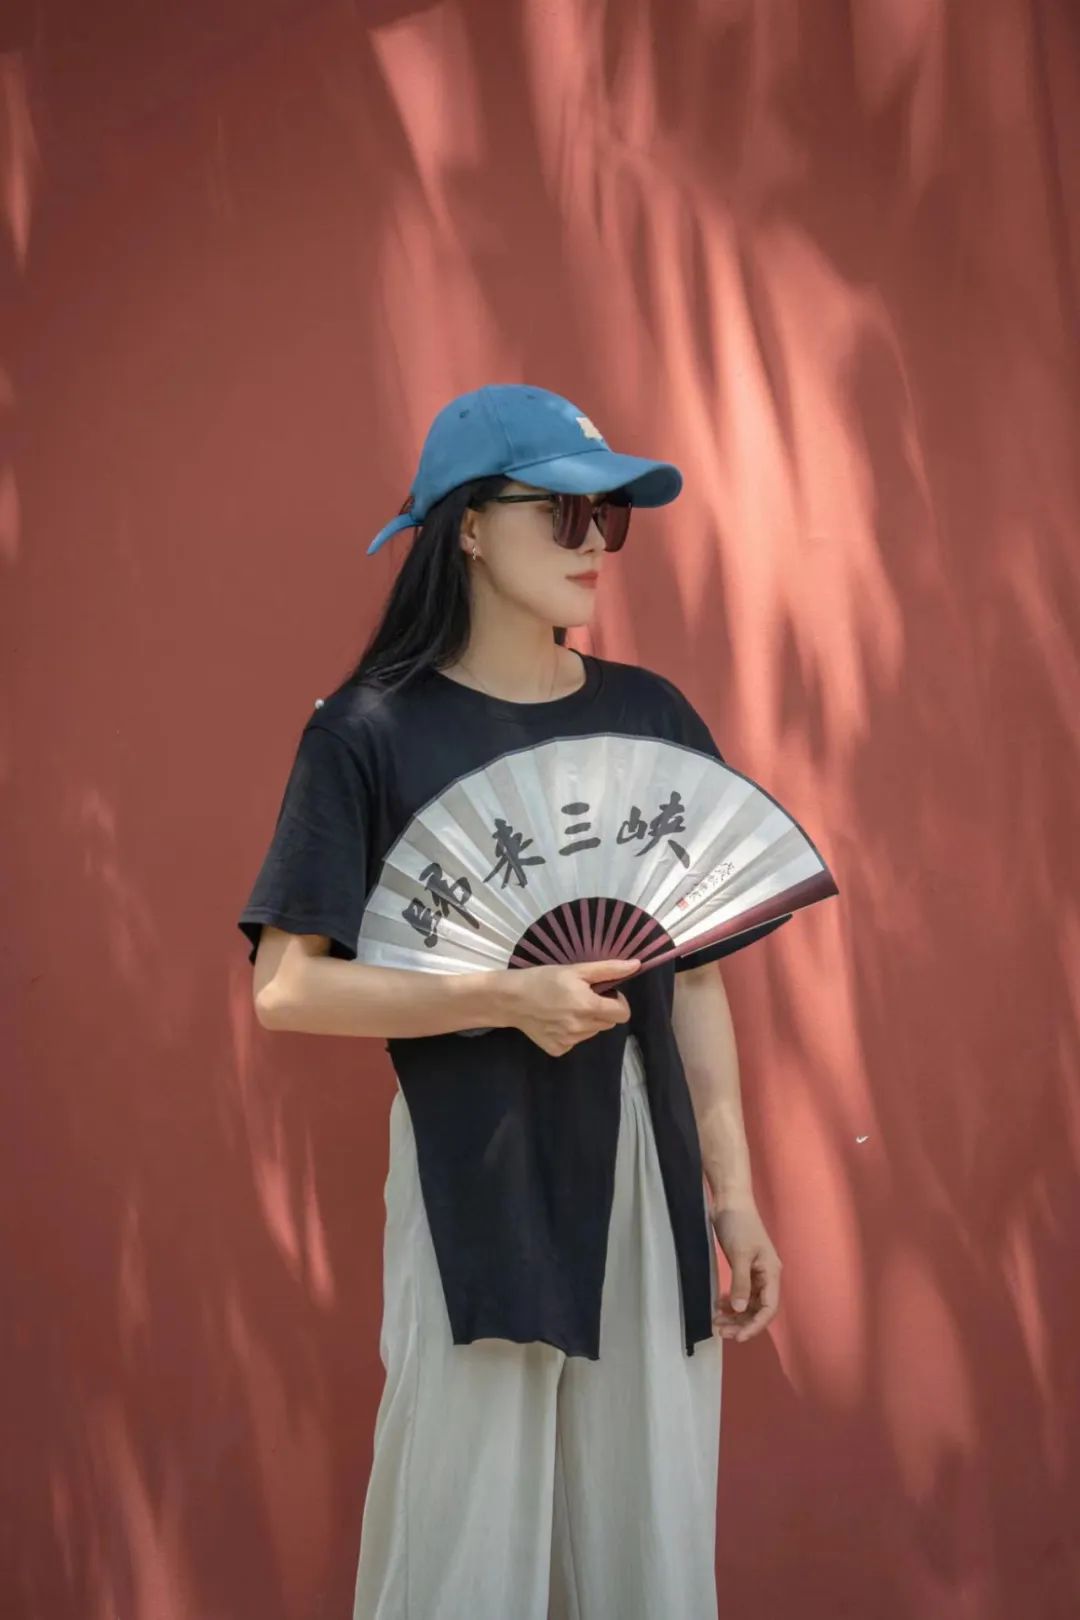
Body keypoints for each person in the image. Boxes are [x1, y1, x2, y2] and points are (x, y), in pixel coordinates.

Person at [237, 384, 785, 1620]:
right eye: (565, 515)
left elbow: (697, 974)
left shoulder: (648, 718)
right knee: (466, 1524)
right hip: (469, 1162)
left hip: (641, 1152)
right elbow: (287, 986)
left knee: (647, 1519)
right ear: (470, 528)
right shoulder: (369, 734)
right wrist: (500, 994)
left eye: (611, 519)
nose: (596, 545)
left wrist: (735, 1195)